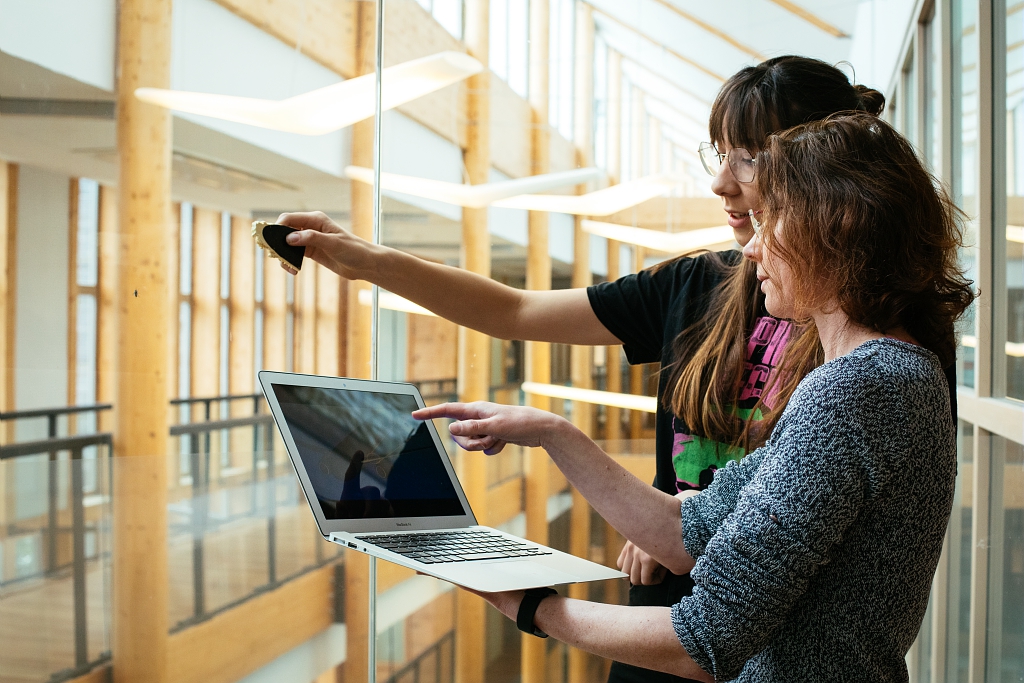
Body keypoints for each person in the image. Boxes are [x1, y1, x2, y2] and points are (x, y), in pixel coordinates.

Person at [275, 56, 954, 682]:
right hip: (672, 623)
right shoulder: (787, 327)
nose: (723, 185)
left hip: (715, 634)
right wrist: (552, 433)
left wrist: (534, 606)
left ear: (824, 196)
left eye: (751, 165)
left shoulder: (862, 381)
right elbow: (516, 310)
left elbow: (713, 628)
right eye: (721, 155)